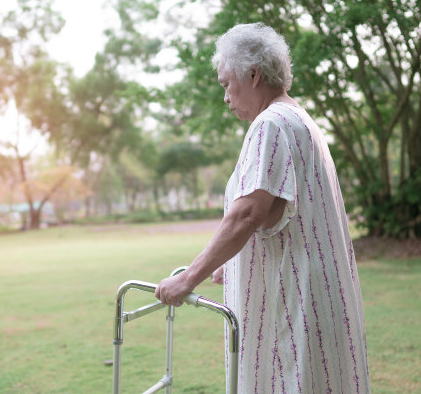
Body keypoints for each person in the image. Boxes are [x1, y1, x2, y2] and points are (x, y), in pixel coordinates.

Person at [155, 23, 371, 393]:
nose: (225, 96)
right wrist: (232, 260)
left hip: (293, 302)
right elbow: (280, 213)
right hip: (318, 298)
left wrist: (188, 278)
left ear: (253, 74)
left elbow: (247, 213)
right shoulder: (300, 119)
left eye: (226, 83)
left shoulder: (270, 124)